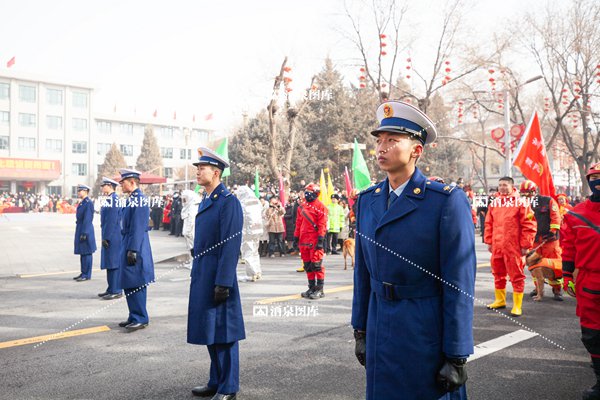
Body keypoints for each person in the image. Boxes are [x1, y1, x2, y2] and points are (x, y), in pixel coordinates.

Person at [351, 100, 476, 400]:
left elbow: (459, 284)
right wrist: (360, 329)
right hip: (381, 323)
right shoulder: (367, 201)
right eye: (379, 141)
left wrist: (457, 354)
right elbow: (363, 274)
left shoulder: (444, 202)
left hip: (424, 327)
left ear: (416, 151)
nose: (381, 148)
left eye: (392, 140)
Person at [188, 147, 244, 400]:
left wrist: (223, 282)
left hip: (219, 275)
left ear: (216, 172)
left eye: (202, 168)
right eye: (198, 168)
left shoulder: (228, 202)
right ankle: (216, 380)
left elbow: (231, 245)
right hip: (203, 271)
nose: (198, 171)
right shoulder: (207, 199)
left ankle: (228, 387)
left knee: (224, 331)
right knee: (210, 328)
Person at [560, 162, 600, 400]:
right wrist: (567, 276)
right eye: (594, 178)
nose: (598, 182)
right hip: (589, 282)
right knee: (592, 335)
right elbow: (568, 247)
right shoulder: (575, 215)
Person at [484, 176, 536, 316]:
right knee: (498, 274)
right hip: (497, 245)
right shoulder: (495, 203)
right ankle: (500, 300)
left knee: (516, 275)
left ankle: (517, 306)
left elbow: (529, 225)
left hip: (514, 246)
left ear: (512, 186)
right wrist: (489, 241)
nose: (502, 187)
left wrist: (526, 244)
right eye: (500, 185)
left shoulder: (521, 203)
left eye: (505, 185)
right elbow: (489, 223)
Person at [118, 169, 155, 332]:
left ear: (132, 182)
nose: (121, 185)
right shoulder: (132, 199)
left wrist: (133, 249)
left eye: (123, 182)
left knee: (136, 282)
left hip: (136, 245)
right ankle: (134, 315)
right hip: (129, 242)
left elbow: (139, 227)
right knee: (129, 281)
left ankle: (141, 317)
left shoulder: (139, 200)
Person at [519, 180, 563, 301]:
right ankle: (538, 288)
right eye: (522, 194)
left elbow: (555, 217)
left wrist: (552, 231)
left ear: (533, 191)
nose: (525, 196)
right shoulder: (523, 204)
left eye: (527, 193)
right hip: (535, 240)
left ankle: (557, 289)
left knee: (554, 266)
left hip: (549, 240)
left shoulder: (547, 201)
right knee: (534, 267)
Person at [294, 183, 328, 300]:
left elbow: (322, 224)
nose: (307, 194)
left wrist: (320, 240)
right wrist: (296, 237)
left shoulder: (321, 207)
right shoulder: (301, 207)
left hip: (314, 240)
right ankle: (311, 287)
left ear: (315, 193)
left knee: (316, 266)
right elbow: (298, 223)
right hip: (303, 240)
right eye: (306, 192)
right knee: (308, 266)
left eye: (309, 192)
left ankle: (320, 289)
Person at [98, 177, 123, 300]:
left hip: (113, 236)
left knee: (114, 263)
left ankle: (116, 289)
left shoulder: (113, 200)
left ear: (110, 186)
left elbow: (112, 221)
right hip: (109, 235)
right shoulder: (110, 199)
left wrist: (107, 237)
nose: (102, 188)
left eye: (104, 185)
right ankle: (111, 288)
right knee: (109, 263)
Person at [236, 185, 263, 282]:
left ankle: (251, 274)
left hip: (247, 231)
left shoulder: (242, 203)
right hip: (257, 230)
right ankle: (257, 271)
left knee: (247, 252)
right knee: (255, 252)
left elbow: (239, 217)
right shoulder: (256, 201)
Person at [73, 184, 96, 282]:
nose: (78, 193)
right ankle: (83, 272)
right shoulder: (82, 202)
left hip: (85, 229)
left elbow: (88, 219)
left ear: (85, 191)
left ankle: (87, 274)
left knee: (87, 253)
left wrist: (85, 233)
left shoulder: (88, 203)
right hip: (81, 228)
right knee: (82, 252)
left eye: (80, 191)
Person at [181, 189, 202, 266]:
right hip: (188, 234)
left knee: (193, 249)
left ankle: (194, 264)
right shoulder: (188, 206)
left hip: (191, 233)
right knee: (190, 249)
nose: (183, 201)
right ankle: (192, 262)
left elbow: (191, 221)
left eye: (185, 199)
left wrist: (188, 232)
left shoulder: (193, 207)